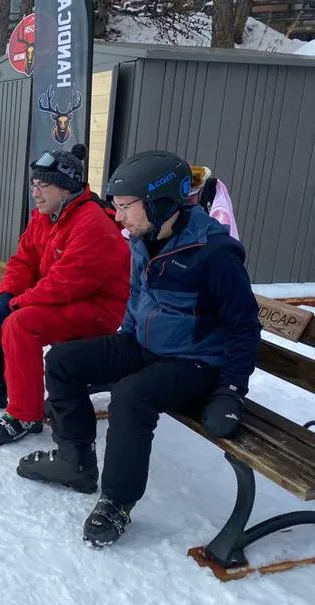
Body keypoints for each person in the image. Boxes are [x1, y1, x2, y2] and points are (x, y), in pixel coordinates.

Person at [17, 150, 261, 547]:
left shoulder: (214, 253)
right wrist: (126, 334)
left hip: (196, 363)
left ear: (160, 203)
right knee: (63, 361)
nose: (118, 217)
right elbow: (139, 295)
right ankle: (74, 460)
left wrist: (231, 391)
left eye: (125, 207)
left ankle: (116, 501)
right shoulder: (143, 238)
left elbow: (245, 326)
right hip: (145, 346)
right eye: (115, 207)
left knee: (130, 396)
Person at [0, 145, 130, 446]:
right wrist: (6, 296)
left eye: (43, 185)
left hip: (97, 309)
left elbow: (64, 283)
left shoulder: (92, 224)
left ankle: (25, 415)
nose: (36, 192)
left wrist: (15, 305)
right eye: (34, 185)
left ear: (66, 188)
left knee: (22, 323)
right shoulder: (45, 216)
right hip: (62, 298)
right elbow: (23, 262)